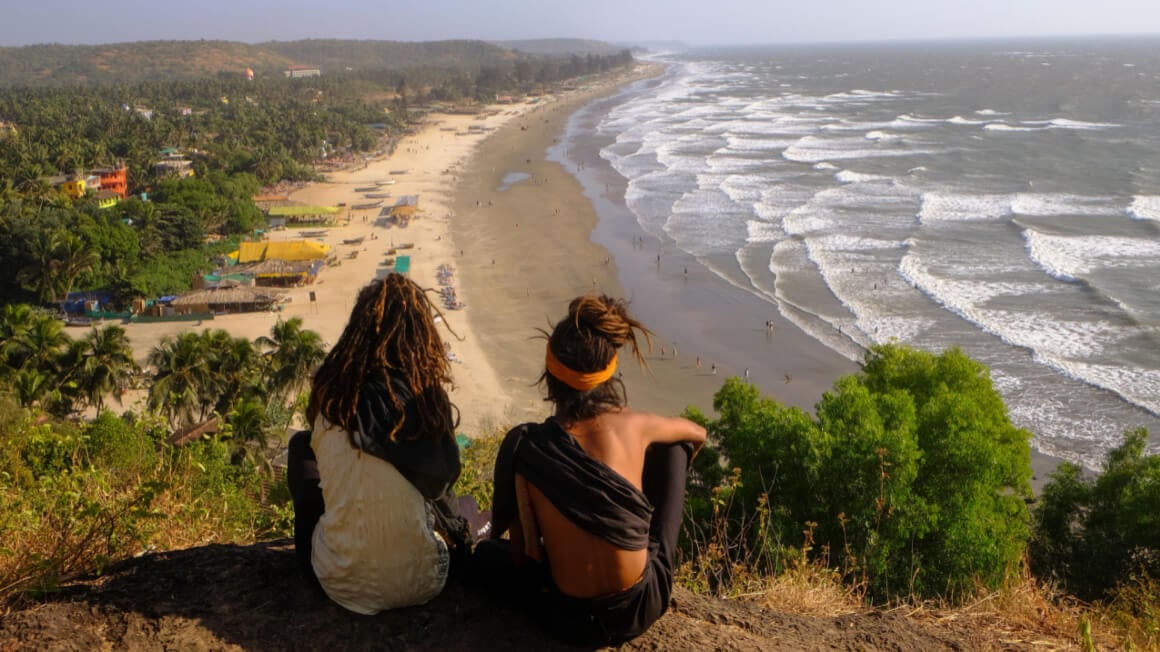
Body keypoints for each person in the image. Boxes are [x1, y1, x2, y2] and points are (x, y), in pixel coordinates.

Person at [474, 294, 706, 646]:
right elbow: (696, 434)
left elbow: (522, 558)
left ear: (549, 376)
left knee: (487, 556)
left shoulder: (527, 446)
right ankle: (649, 559)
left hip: (567, 619)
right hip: (641, 607)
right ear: (608, 376)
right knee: (675, 447)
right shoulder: (635, 425)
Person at [286, 274, 471, 615]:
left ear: (357, 331)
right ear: (421, 337)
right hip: (424, 583)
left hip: (337, 582)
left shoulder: (332, 399)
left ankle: (311, 558)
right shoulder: (425, 401)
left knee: (301, 446)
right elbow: (442, 484)